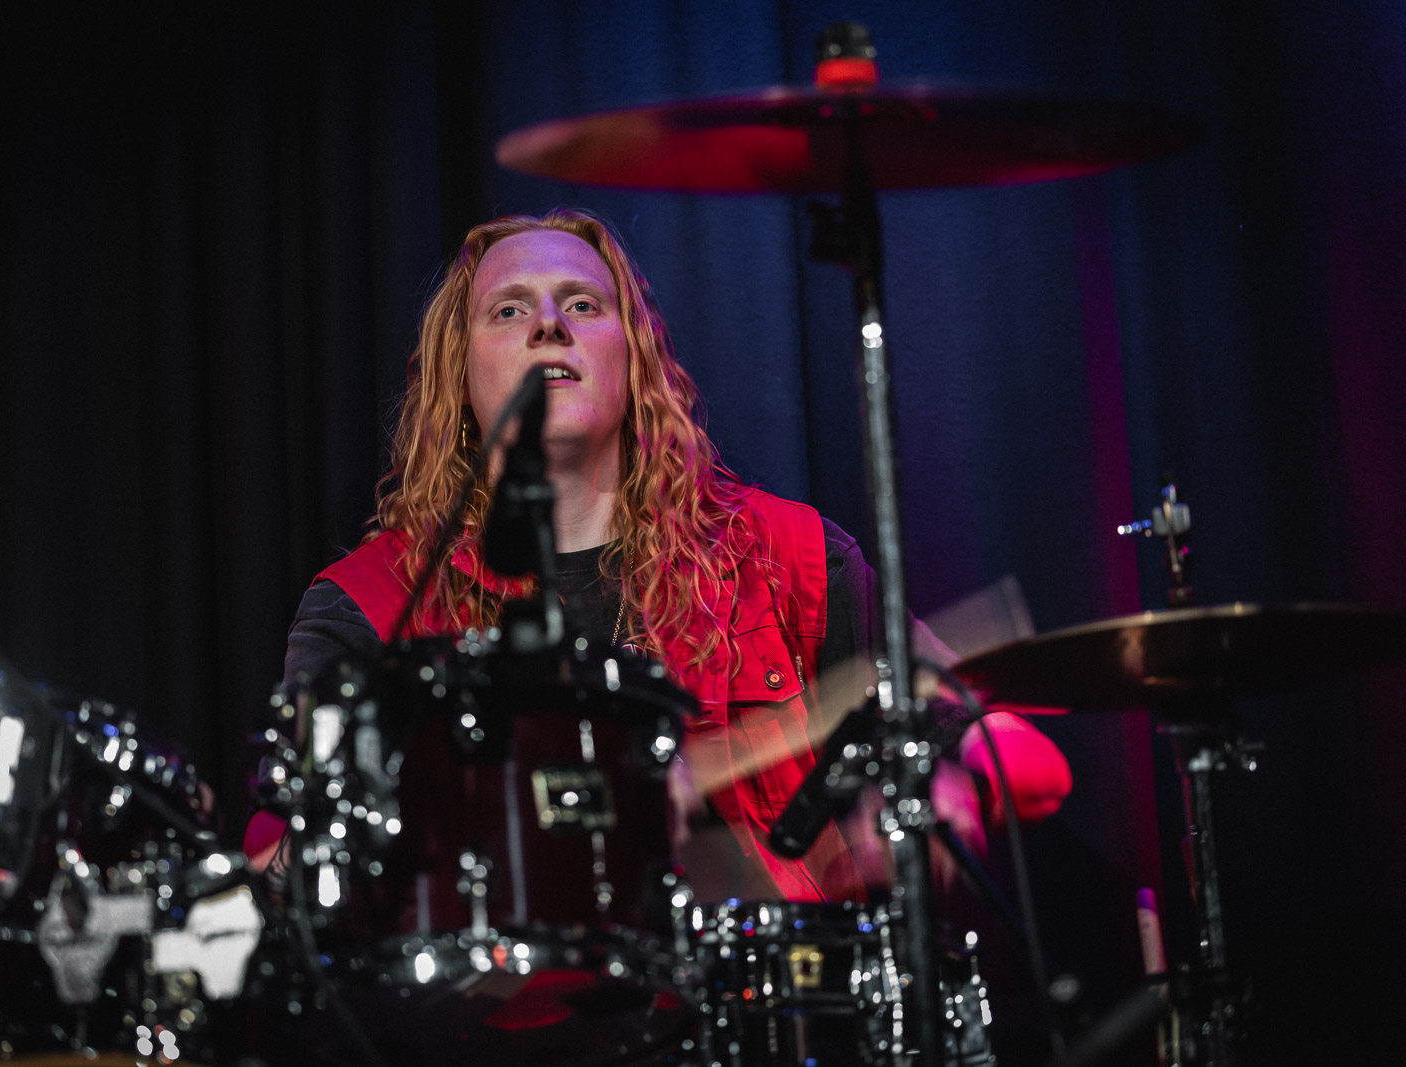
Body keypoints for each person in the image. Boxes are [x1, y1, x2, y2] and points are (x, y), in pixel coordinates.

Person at [247, 207, 1070, 907]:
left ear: (634, 357)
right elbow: (275, 871)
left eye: (582, 303)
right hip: (491, 1021)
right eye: (507, 309)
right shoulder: (370, 605)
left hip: (758, 1017)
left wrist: (947, 791)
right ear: (458, 376)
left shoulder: (785, 557)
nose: (548, 324)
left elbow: (1026, 755)